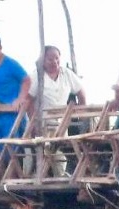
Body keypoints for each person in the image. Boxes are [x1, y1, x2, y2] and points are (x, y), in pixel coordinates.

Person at [27, 45, 86, 176]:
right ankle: (51, 177)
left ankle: (60, 176)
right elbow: (28, 100)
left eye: (57, 59)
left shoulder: (66, 73)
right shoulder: (36, 75)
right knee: (46, 151)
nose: (54, 62)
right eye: (50, 59)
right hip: (42, 121)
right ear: (43, 60)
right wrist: (33, 121)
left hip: (61, 121)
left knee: (59, 149)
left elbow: (81, 92)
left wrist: (81, 114)